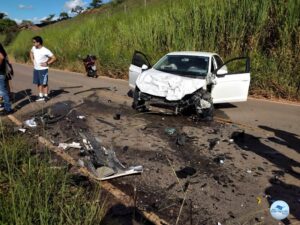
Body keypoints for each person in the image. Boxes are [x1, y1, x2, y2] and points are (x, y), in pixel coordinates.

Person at [30, 36, 56, 101]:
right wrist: (32, 60)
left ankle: (46, 96)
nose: (33, 44)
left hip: (43, 70)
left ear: (38, 43)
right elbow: (31, 52)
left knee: (44, 83)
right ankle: (40, 96)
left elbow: (54, 58)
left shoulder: (45, 50)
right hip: (36, 69)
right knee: (38, 82)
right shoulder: (34, 48)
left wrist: (47, 63)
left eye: (34, 42)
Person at [0, 43, 13, 114]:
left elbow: (1, 57)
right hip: (2, 72)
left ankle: (8, 109)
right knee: (3, 91)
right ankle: (7, 108)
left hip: (0, 73)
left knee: (2, 91)